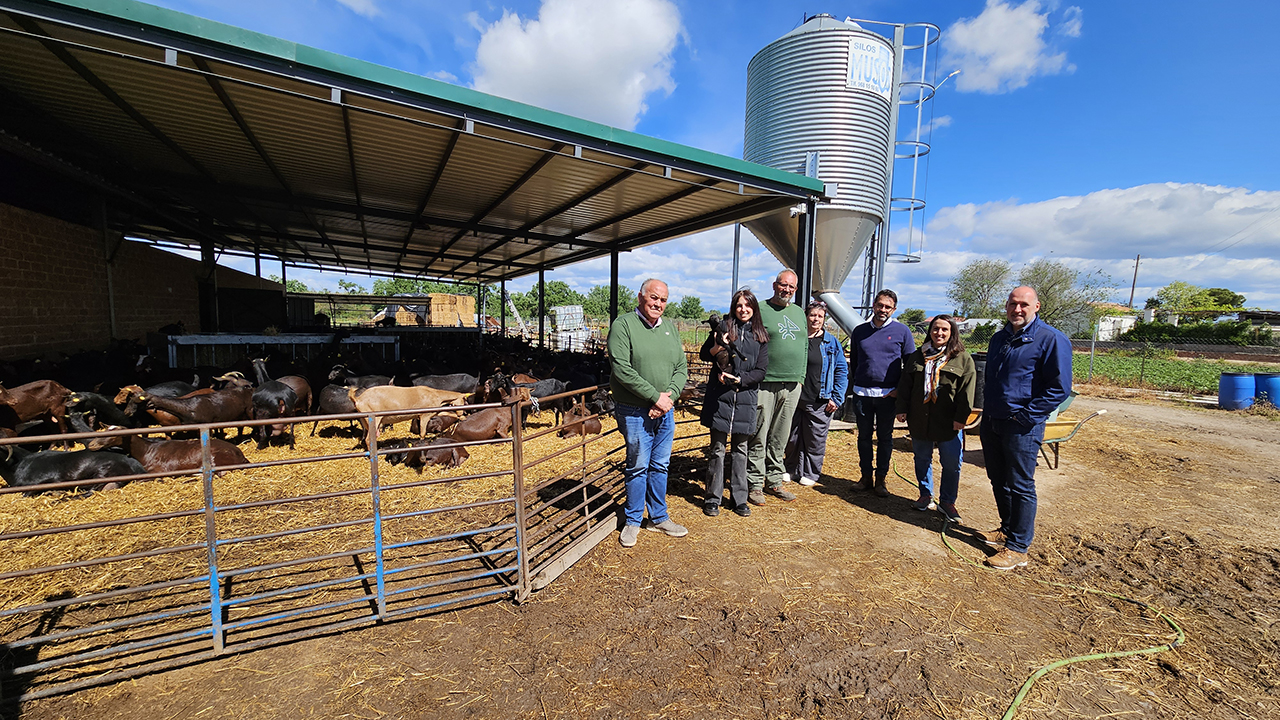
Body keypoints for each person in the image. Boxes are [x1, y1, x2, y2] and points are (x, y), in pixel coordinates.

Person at [979, 286, 1072, 570]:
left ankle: (1019, 548)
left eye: (1023, 304)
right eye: (1012, 304)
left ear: (1037, 307)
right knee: (998, 479)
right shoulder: (1000, 338)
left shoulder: (1051, 339)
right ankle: (1006, 529)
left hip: (1022, 426)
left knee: (1020, 485)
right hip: (993, 420)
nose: (1017, 310)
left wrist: (1026, 415)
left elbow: (1060, 388)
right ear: (1006, 306)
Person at [607, 278, 690, 548]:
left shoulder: (669, 328)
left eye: (663, 300)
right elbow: (622, 369)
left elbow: (681, 366)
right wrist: (655, 397)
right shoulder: (623, 326)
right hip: (634, 409)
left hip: (664, 409)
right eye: (654, 298)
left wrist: (668, 398)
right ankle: (633, 520)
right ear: (641, 296)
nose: (658, 304)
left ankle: (658, 517)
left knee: (660, 465)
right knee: (638, 465)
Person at [895, 315, 976, 522]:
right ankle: (925, 495)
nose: (939, 333)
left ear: (952, 333)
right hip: (920, 417)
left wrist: (961, 418)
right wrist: (901, 409)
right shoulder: (917, 356)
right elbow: (905, 386)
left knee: (951, 463)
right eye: (935, 329)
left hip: (948, 420)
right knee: (922, 458)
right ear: (930, 331)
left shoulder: (962, 359)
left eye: (944, 330)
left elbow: (967, 392)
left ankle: (947, 502)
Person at [699, 288, 770, 518]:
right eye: (739, 305)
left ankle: (739, 498)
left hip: (745, 398)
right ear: (733, 307)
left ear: (754, 308)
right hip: (721, 397)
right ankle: (713, 498)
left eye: (747, 305)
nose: (743, 309)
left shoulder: (761, 335)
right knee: (717, 449)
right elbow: (704, 354)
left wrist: (740, 379)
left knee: (741, 449)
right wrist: (720, 344)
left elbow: (761, 371)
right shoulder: (723, 328)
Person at [746, 269, 808, 505]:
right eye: (784, 285)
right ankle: (754, 483)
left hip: (792, 384)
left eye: (792, 287)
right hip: (765, 382)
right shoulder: (760, 309)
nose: (787, 290)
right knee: (759, 433)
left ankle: (774, 480)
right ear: (774, 285)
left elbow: (804, 346)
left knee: (780, 436)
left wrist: (800, 376)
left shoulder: (799, 313)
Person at [849, 289, 916, 496]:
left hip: (888, 396)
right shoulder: (860, 331)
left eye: (888, 307)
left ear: (894, 309)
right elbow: (856, 361)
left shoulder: (902, 332)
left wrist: (899, 391)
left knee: (885, 438)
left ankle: (881, 480)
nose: (883, 310)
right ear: (873, 306)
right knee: (864, 438)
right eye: (880, 305)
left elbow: (910, 365)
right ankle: (866, 477)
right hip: (863, 395)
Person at [784, 300, 848, 487]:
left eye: (820, 316)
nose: (816, 319)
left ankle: (811, 473)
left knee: (815, 439)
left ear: (824, 319)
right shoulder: (797, 338)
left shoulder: (830, 342)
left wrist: (837, 397)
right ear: (806, 317)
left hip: (819, 398)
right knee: (792, 436)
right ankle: (791, 468)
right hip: (795, 396)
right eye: (812, 315)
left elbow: (841, 371)